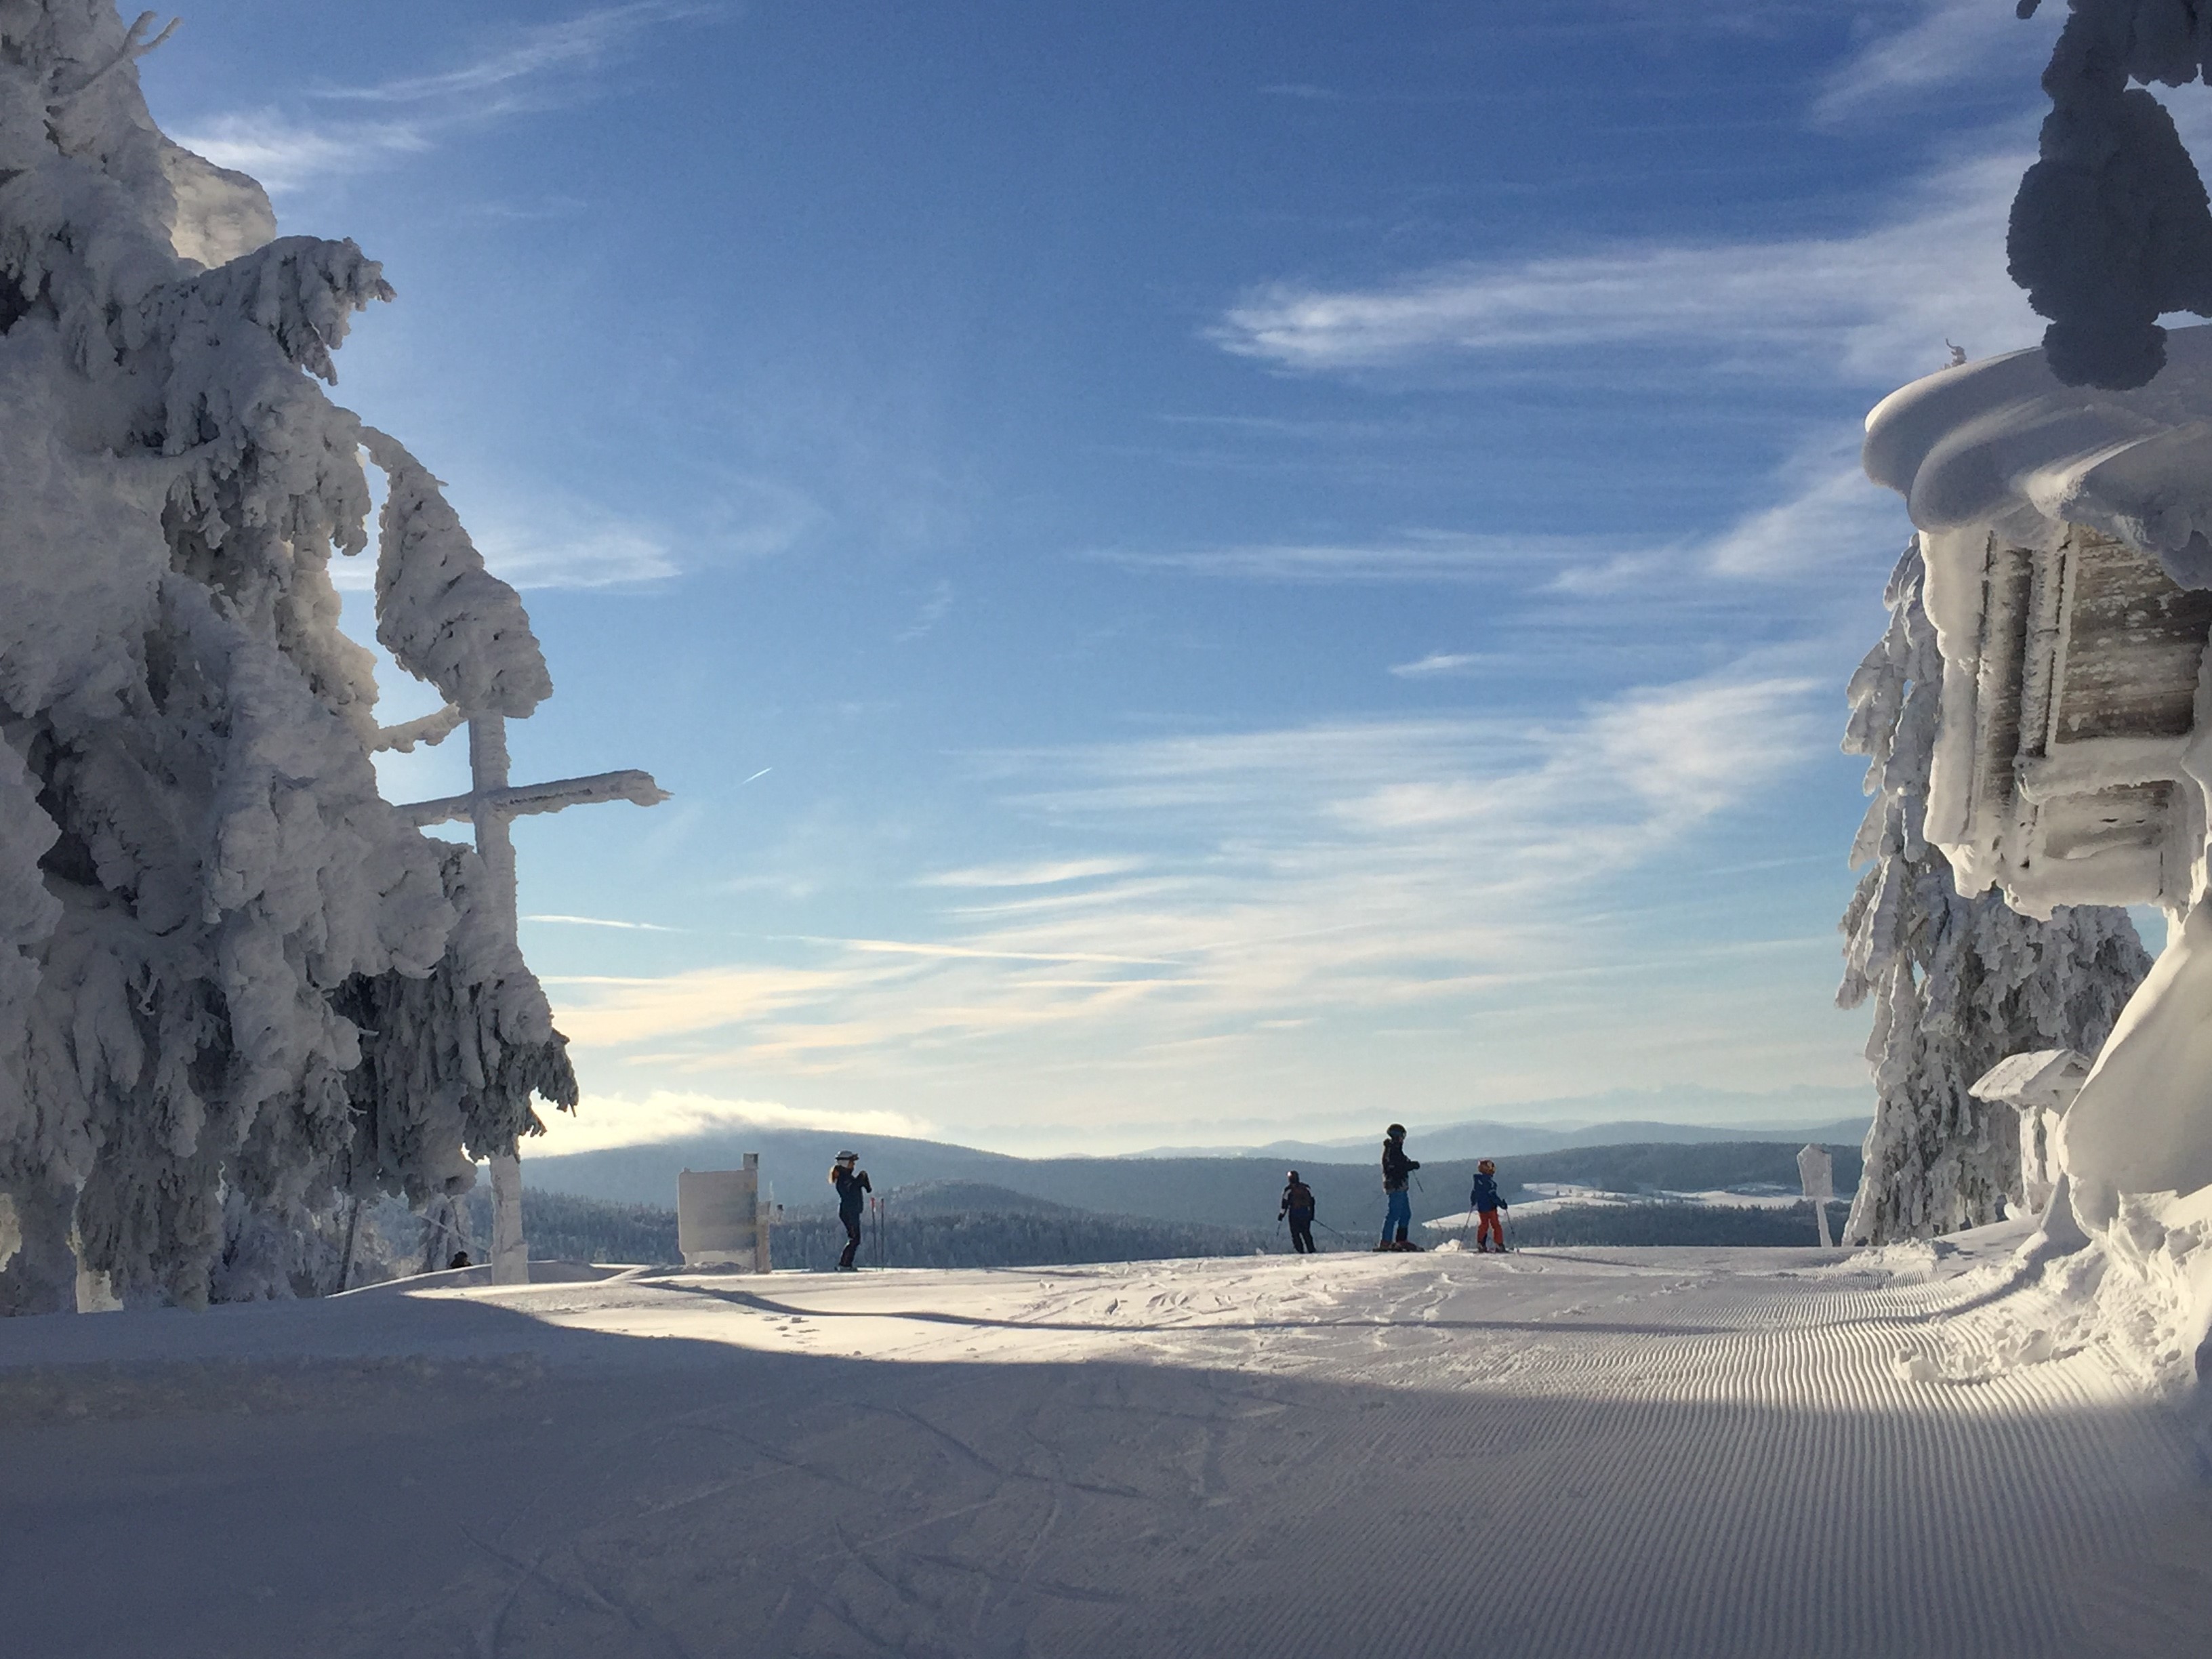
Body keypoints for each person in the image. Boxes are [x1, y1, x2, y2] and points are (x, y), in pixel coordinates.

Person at [1378, 1124, 1420, 1250]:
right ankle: (1386, 1241)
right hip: (1395, 1186)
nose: (1403, 1139)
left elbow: (1401, 1164)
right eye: (1402, 1136)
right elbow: (1397, 1167)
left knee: (1406, 1214)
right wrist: (1411, 1165)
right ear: (1396, 1136)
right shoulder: (1392, 1151)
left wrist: (1409, 1164)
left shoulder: (1395, 1149)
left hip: (1401, 1186)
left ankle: (1401, 1240)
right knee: (1394, 1214)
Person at [830, 1150, 872, 1270]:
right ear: (845, 1163)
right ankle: (844, 1264)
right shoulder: (844, 1179)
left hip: (851, 1211)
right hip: (849, 1212)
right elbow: (851, 1191)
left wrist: (862, 1182)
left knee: (855, 1239)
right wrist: (861, 1180)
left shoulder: (846, 1177)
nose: (853, 1165)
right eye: (851, 1162)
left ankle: (846, 1264)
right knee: (854, 1239)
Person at [1469, 1158, 1509, 1252]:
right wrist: (1502, 1204)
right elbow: (1493, 1196)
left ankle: (1481, 1244)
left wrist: (1473, 1201)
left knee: (1484, 1225)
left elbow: (1474, 1193)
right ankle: (1499, 1244)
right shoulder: (1490, 1183)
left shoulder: (1478, 1181)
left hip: (1482, 1208)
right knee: (1496, 1225)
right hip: (1491, 1208)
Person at [1280, 1170, 1317, 1254]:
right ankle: (1311, 1250)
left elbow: (1284, 1204)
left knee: (1295, 1234)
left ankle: (1300, 1251)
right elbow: (1312, 1202)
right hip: (1305, 1213)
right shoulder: (1306, 1188)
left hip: (1294, 1214)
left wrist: (1281, 1215)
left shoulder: (1288, 1190)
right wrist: (1312, 1214)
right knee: (1306, 1233)